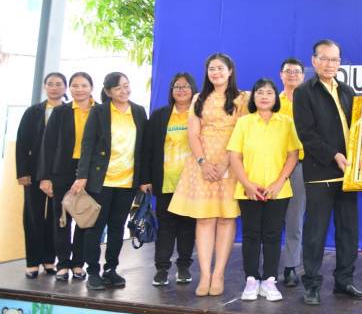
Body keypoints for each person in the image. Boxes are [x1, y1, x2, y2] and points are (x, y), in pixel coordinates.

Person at [169, 53, 249, 296]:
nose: (216, 73)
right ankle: (204, 275)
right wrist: (203, 162)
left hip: (231, 163)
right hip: (202, 164)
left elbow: (244, 133)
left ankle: (218, 274)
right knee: (204, 219)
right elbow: (193, 134)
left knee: (226, 218)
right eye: (212, 69)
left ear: (230, 71)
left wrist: (226, 162)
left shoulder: (242, 98)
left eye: (220, 68)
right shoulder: (198, 98)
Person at [293, 40, 362, 305]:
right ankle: (312, 285)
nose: (329, 64)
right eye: (324, 58)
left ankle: (344, 281)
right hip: (321, 172)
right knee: (316, 232)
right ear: (314, 61)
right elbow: (307, 134)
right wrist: (334, 155)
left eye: (334, 59)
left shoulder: (348, 91)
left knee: (348, 231)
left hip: (349, 175)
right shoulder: (304, 93)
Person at [228, 78, 301, 302]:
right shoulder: (244, 122)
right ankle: (251, 279)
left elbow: (293, 155)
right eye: (260, 92)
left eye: (269, 92)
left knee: (272, 235)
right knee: (250, 235)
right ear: (254, 97)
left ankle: (269, 280)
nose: (264, 96)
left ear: (275, 97)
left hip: (278, 190)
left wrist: (279, 182)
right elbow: (234, 156)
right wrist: (247, 184)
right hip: (249, 189)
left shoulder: (286, 122)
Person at [76, 72, 148, 291]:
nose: (124, 91)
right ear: (108, 92)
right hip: (102, 181)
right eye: (118, 88)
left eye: (126, 85)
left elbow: (144, 147)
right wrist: (82, 176)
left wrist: (144, 179)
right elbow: (87, 144)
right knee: (95, 227)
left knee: (117, 227)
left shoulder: (138, 111)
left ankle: (111, 269)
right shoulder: (99, 111)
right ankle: (93, 271)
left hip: (127, 181)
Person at [39, 72, 94, 282]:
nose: (79, 89)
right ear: (69, 89)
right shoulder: (60, 112)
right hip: (62, 170)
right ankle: (62, 263)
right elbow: (48, 145)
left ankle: (79, 263)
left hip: (90, 171)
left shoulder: (100, 111)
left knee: (84, 218)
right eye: (75, 85)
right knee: (61, 219)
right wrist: (45, 177)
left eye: (84, 85)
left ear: (91, 88)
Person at [145, 72, 198, 287]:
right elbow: (148, 148)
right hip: (165, 180)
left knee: (187, 227)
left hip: (192, 182)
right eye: (177, 86)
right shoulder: (160, 115)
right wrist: (145, 178)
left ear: (193, 90)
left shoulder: (200, 114)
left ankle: (184, 267)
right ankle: (162, 269)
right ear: (171, 91)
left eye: (185, 86)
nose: (181, 90)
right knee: (166, 227)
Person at [16, 72, 65, 278]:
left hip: (60, 172)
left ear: (65, 88)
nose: (54, 87)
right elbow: (22, 143)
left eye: (58, 84)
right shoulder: (33, 112)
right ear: (45, 87)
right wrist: (22, 172)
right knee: (33, 216)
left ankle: (49, 260)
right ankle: (33, 262)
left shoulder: (68, 111)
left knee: (55, 218)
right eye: (50, 84)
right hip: (34, 171)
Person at [277, 58, 306, 288]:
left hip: (300, 166)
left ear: (303, 76)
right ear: (281, 75)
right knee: (271, 220)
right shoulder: (271, 101)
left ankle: (290, 266)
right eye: (288, 71)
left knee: (294, 219)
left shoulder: (309, 101)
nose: (292, 75)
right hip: (272, 166)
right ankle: (267, 269)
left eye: (296, 71)